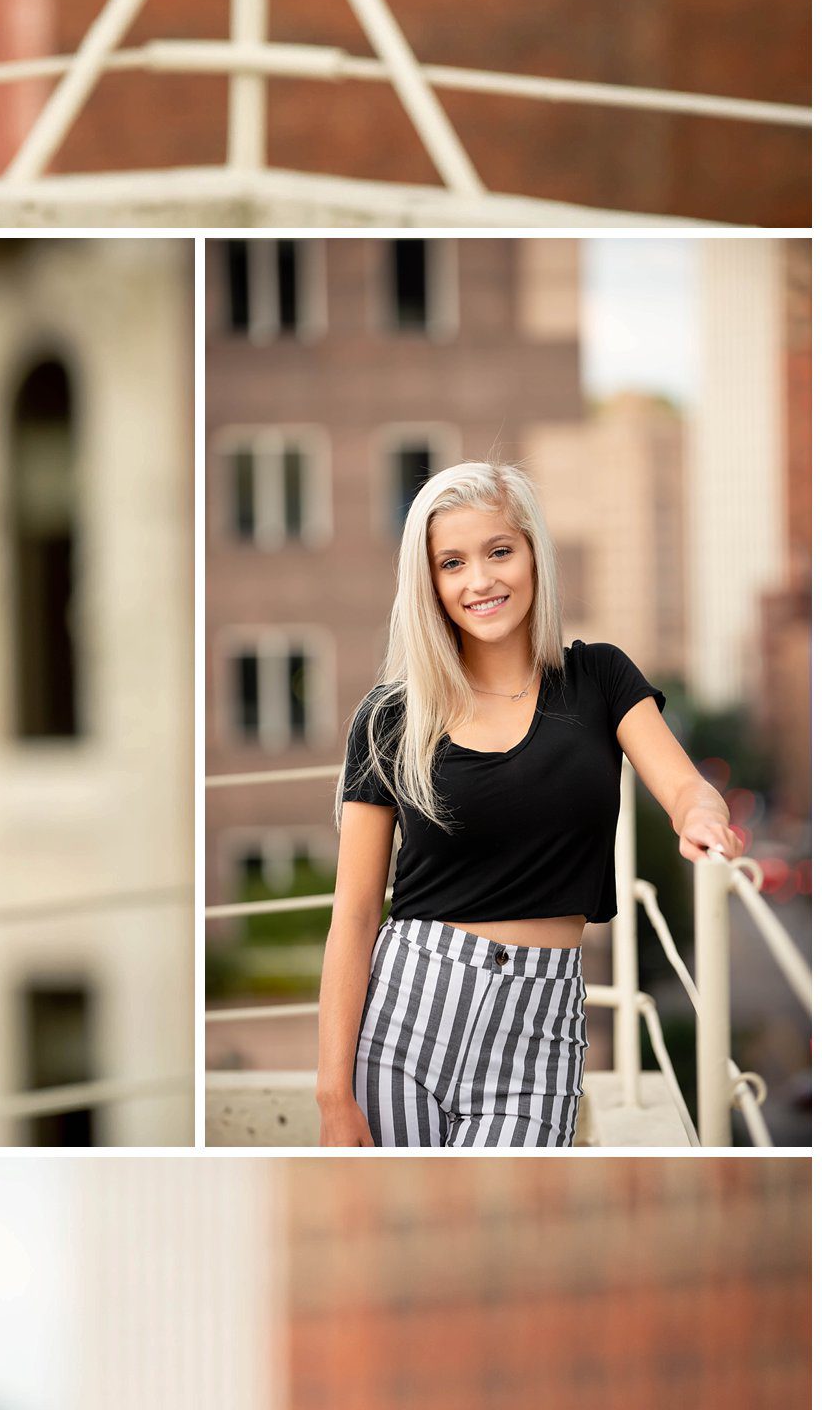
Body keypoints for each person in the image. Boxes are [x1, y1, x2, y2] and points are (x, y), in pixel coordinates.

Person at [315, 460, 743, 1149]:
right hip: (404, 1016)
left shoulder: (599, 677)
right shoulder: (389, 716)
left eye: (499, 551)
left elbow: (684, 784)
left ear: (534, 554)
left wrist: (701, 816)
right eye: (451, 562)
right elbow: (356, 911)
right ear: (428, 583)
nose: (479, 580)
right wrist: (334, 1094)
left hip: (538, 1031)